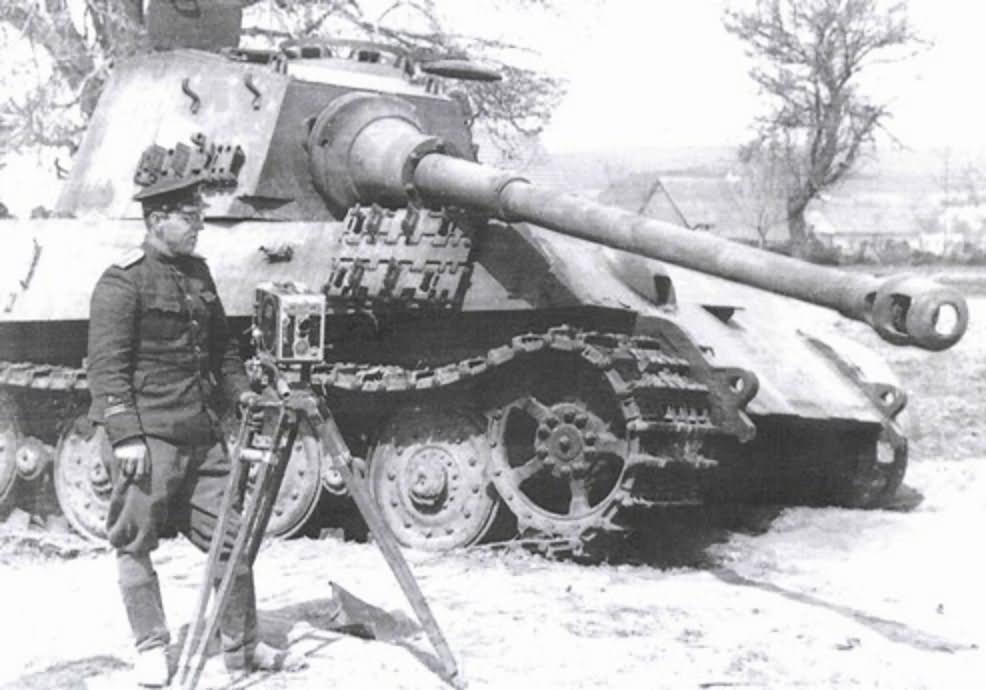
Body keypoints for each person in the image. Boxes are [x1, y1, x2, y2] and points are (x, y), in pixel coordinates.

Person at [86, 175, 282, 687]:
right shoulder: (121, 282)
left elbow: (223, 350)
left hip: (200, 435)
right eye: (189, 217)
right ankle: (152, 646)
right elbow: (106, 368)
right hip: (147, 440)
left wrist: (239, 393)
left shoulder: (198, 274)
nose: (199, 226)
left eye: (199, 216)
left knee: (233, 539)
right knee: (133, 540)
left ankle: (241, 645)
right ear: (157, 222)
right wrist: (125, 434)